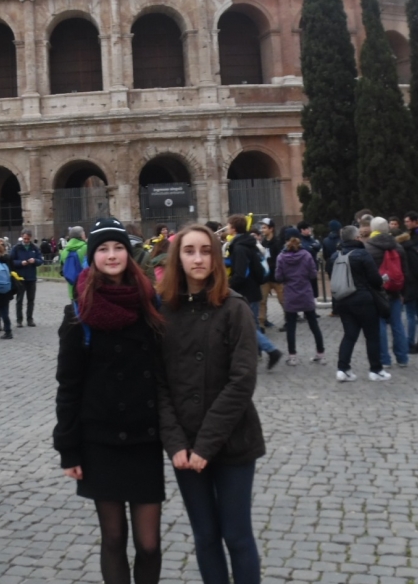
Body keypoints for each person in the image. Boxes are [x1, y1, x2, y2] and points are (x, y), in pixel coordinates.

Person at [53, 217, 165, 584]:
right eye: (103, 248)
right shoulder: (78, 314)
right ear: (92, 256)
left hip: (144, 438)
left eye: (118, 247)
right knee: (113, 539)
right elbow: (68, 386)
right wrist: (68, 449)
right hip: (100, 440)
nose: (112, 255)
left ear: (129, 254)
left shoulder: (151, 304)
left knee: (149, 543)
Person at [157, 224, 263, 584]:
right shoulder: (164, 311)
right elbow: (159, 384)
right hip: (185, 445)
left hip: (232, 440)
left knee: (236, 535)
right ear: (178, 258)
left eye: (205, 251)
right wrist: (175, 443)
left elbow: (242, 380)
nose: (198, 259)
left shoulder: (234, 307)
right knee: (205, 535)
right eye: (189, 251)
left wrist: (206, 444)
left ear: (216, 258)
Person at [332, 226, 389, 382]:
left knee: (349, 335)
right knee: (372, 336)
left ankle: (343, 369)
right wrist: (381, 281)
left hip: (343, 299)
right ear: (357, 238)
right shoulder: (363, 254)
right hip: (364, 299)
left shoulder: (335, 256)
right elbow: (375, 279)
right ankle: (376, 370)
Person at [225, 215, 282, 370]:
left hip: (246, 292)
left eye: (228, 225)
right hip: (253, 290)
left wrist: (227, 285)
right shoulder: (247, 243)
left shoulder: (240, 247)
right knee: (253, 324)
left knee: (247, 326)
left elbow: (241, 274)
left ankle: (271, 350)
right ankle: (258, 354)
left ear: (234, 228)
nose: (227, 227)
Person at [364, 218, 407, 369]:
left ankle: (384, 359)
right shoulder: (398, 247)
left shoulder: (368, 248)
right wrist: (403, 292)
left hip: (376, 292)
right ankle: (402, 358)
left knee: (379, 325)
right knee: (397, 324)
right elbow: (405, 272)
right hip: (394, 290)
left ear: (372, 229)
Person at [275, 234, 323, 365]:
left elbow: (278, 277)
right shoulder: (307, 255)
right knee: (313, 324)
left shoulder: (281, 257)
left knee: (291, 326)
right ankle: (320, 354)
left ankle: (293, 357)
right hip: (306, 292)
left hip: (290, 293)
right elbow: (313, 274)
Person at [10, 229, 43, 327]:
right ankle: (19, 320)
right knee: (19, 300)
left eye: (28, 239)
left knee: (31, 299)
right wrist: (20, 263)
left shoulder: (34, 248)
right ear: (22, 237)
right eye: (25, 238)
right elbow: (11, 261)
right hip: (20, 278)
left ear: (30, 238)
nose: (26, 240)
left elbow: (40, 260)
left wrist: (35, 261)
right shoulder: (16, 248)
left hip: (31, 277)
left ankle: (30, 319)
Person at [60, 226, 89, 299]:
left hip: (72, 288)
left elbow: (62, 269)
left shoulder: (64, 251)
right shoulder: (86, 248)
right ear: (82, 235)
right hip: (86, 287)